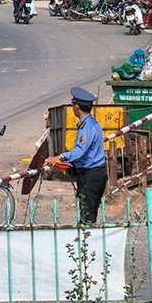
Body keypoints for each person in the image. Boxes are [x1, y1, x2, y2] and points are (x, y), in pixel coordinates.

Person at [45, 88, 106, 223]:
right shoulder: (93, 123)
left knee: (86, 217)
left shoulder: (86, 127)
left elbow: (80, 151)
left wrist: (59, 157)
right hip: (97, 174)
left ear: (76, 106)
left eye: (73, 104)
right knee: (89, 213)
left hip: (90, 176)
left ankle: (87, 243)